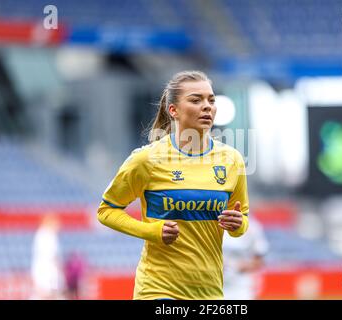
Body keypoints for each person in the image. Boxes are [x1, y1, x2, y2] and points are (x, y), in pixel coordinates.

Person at [97, 70, 249, 300]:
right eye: (196, 100)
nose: (207, 106)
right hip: (158, 289)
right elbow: (106, 211)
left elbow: (242, 220)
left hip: (209, 291)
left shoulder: (232, 160)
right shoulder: (147, 159)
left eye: (211, 100)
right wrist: (150, 231)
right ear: (173, 110)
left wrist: (238, 225)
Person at [223, 216, 269, 300]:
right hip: (212, 284)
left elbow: (259, 261)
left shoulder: (253, 227)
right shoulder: (211, 223)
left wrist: (236, 266)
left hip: (241, 287)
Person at [30, 214, 65, 300]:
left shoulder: (43, 234)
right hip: (46, 271)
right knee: (46, 295)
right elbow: (52, 256)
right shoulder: (46, 235)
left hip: (46, 271)